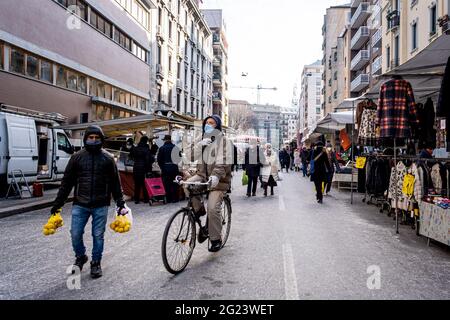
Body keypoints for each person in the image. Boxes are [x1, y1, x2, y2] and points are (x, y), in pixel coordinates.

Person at [50, 125, 126, 279]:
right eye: (91, 137)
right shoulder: (77, 157)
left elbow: (115, 183)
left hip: (101, 204)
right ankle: (81, 256)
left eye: (97, 138)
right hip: (80, 203)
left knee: (98, 235)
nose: (94, 140)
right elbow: (67, 183)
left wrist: (120, 202)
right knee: (75, 234)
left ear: (101, 139)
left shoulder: (108, 158)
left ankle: (96, 262)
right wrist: (58, 203)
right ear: (86, 139)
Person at [184, 115, 232, 252]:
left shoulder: (224, 141)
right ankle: (199, 210)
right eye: (207, 123)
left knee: (213, 208)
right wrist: (199, 145)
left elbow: (224, 161)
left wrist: (216, 176)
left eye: (212, 123)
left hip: (219, 181)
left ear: (217, 126)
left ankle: (216, 239)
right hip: (201, 175)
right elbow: (189, 156)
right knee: (187, 184)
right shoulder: (200, 138)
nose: (208, 125)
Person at [157, 135, 181, 203]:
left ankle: (169, 199)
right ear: (170, 140)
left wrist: (162, 167)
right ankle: (175, 198)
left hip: (165, 168)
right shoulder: (175, 148)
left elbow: (159, 160)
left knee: (167, 184)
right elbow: (179, 159)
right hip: (174, 167)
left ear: (165, 140)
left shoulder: (162, 148)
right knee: (175, 183)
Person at [130, 136, 153, 204]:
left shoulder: (135, 148)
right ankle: (146, 199)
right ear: (146, 141)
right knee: (144, 185)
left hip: (136, 168)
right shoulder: (146, 149)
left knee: (137, 184)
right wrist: (149, 170)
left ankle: (136, 199)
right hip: (143, 168)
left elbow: (131, 156)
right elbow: (148, 160)